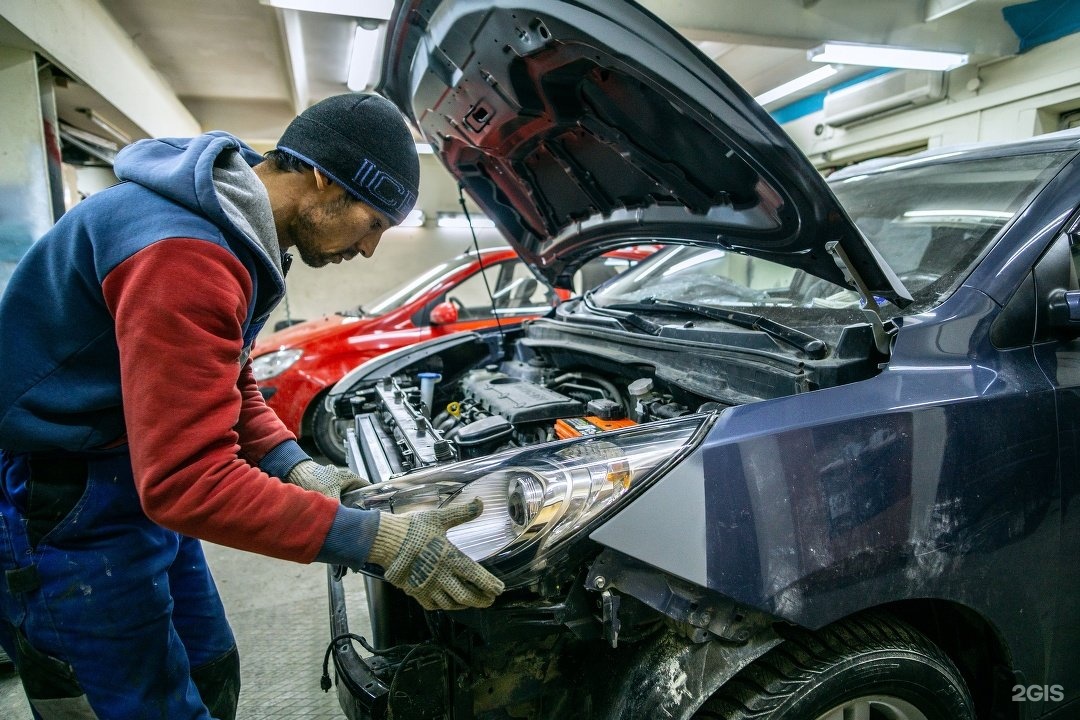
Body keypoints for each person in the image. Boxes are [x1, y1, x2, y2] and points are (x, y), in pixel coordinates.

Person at [0, 93, 504, 719]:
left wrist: (295, 463)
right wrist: (378, 541)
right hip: (67, 499)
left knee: (209, 665)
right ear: (324, 177)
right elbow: (189, 482)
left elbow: (226, 379)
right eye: (373, 223)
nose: (370, 249)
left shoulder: (229, 227)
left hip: (132, 463)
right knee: (134, 703)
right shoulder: (183, 254)